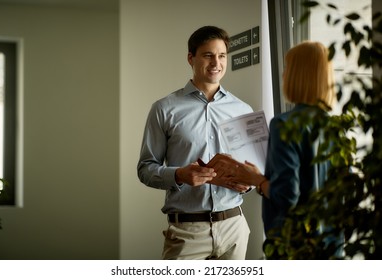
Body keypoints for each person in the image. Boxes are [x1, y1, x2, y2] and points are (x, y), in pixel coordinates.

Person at [137, 26, 254, 260]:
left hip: (234, 229)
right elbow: (145, 169)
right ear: (191, 58)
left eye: (222, 56)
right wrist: (179, 175)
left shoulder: (243, 110)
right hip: (186, 232)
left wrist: (247, 183)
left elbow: (253, 167)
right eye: (208, 55)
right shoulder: (164, 109)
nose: (216, 63)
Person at [208, 41, 336, 245]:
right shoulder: (337, 127)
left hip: (294, 247)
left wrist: (257, 179)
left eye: (287, 68)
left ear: (298, 75)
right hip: (330, 244)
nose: (284, 75)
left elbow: (287, 197)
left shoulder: (285, 125)